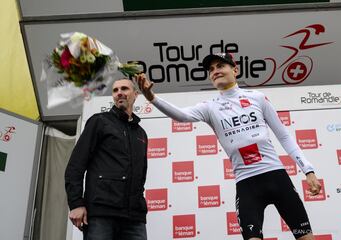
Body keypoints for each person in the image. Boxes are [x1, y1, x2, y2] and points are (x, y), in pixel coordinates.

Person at [134, 52, 322, 240]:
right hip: (247, 185)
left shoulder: (257, 98)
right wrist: (152, 97)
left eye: (220, 66)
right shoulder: (209, 107)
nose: (215, 71)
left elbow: (284, 136)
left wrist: (308, 170)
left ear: (235, 69)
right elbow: (181, 115)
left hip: (277, 177)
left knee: (306, 238)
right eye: (211, 69)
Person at [65, 78, 148, 240]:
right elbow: (76, 165)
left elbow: (141, 175)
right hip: (101, 214)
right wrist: (76, 203)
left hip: (134, 218)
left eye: (124, 89)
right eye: (115, 90)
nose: (119, 93)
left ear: (136, 94)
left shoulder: (141, 134)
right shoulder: (99, 121)